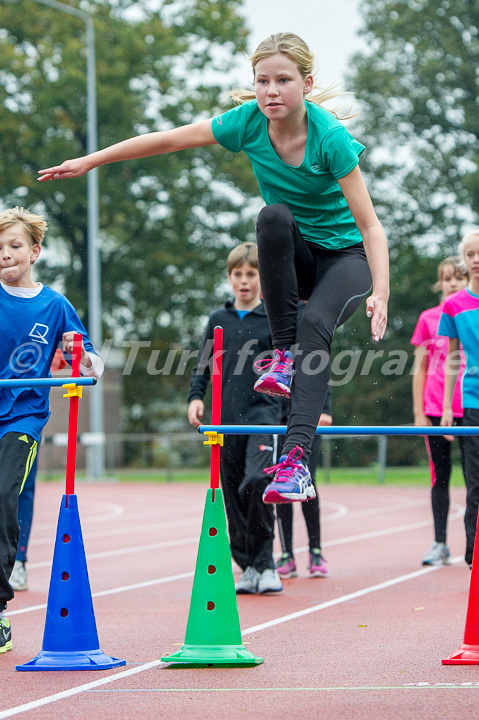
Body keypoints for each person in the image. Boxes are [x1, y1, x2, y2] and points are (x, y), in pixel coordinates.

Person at [38, 32, 389, 505]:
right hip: (300, 256)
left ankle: (297, 463)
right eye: (261, 81)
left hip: (347, 260)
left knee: (316, 325)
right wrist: (91, 161)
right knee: (272, 216)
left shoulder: (330, 139)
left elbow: (371, 227)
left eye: (283, 81)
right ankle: (282, 356)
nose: (270, 91)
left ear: (306, 84)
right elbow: (167, 140)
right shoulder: (246, 123)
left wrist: (381, 292)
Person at [0, 206, 104, 654]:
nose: (5, 254)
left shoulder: (55, 306)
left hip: (22, 418)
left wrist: (77, 355)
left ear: (34, 251)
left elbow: (92, 364)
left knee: (3, 497)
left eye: (14, 246)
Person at [188, 242, 283, 594]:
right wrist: (195, 398)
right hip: (224, 419)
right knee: (230, 493)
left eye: (251, 274)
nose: (244, 281)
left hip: (264, 415)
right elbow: (203, 364)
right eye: (238, 274)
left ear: (262, 277)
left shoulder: (274, 318)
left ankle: (267, 563)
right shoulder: (218, 319)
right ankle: (246, 565)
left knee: (257, 482)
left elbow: (292, 368)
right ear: (229, 277)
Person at [411, 257, 468, 566]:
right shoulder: (428, 318)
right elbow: (419, 369)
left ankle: (472, 542)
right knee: (440, 476)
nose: (453, 283)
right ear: (440, 282)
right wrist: (419, 413)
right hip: (435, 409)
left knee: (474, 479)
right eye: (447, 278)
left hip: (470, 407)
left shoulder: (472, 313)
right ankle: (440, 542)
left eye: (459, 277)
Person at [9, 349, 67, 592]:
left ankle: (18, 561)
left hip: (24, 417)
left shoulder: (43, 313)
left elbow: (75, 358)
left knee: (21, 488)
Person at [440, 231, 479, 569]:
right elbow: (451, 360)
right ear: (465, 262)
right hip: (472, 403)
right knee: (475, 484)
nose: (476, 259)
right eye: (471, 254)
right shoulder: (454, 306)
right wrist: (447, 409)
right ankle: (473, 557)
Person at [275, 388, 332, 579]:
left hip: (308, 421)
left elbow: (321, 374)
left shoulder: (309, 357)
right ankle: (286, 554)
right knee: (281, 484)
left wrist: (326, 409)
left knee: (308, 479)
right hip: (279, 423)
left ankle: (315, 552)